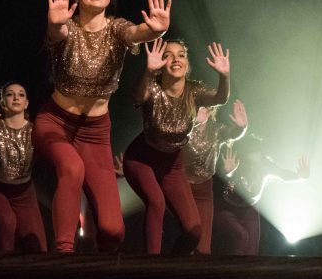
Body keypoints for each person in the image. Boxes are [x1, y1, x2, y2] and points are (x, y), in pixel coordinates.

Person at [33, 0, 171, 253]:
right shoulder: (66, 27)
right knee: (71, 168)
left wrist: (156, 29)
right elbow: (56, 32)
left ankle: (101, 273)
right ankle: (63, 253)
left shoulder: (117, 28)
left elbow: (136, 33)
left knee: (112, 231)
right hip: (55, 122)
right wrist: (55, 23)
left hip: (95, 134)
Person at [123, 39, 230, 254]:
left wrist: (224, 76)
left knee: (193, 231)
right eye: (168, 55)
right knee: (157, 202)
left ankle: (173, 268)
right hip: (141, 158)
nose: (175, 59)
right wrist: (148, 72)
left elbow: (220, 98)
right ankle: (152, 269)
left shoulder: (194, 91)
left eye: (180, 55)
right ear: (162, 63)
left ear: (187, 63)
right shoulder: (152, 87)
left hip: (172, 164)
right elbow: (138, 96)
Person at [0, 83, 47, 252]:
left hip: (24, 194)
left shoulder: (34, 130)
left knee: (39, 249)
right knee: (7, 221)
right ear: (3, 102)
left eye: (21, 94)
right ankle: (4, 271)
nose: (16, 97)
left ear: (26, 103)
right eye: (10, 94)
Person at [216, 133, 310, 255]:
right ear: (245, 153)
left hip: (250, 210)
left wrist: (300, 176)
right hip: (228, 208)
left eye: (256, 152)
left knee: (251, 250)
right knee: (241, 236)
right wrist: (229, 172)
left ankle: (248, 272)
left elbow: (283, 175)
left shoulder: (265, 165)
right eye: (250, 152)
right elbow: (227, 176)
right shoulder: (237, 162)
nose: (254, 156)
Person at [183, 100, 247, 255]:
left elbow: (232, 134)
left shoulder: (216, 130)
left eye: (205, 106)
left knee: (203, 247)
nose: (202, 109)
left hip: (205, 189)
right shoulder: (183, 128)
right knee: (188, 235)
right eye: (198, 106)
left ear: (211, 110)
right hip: (182, 188)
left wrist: (241, 127)